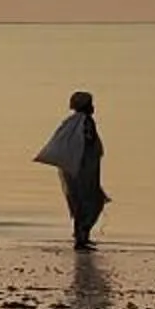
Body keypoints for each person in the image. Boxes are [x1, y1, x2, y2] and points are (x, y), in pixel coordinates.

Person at [34, 89, 108, 248]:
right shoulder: (86, 122)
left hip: (73, 170)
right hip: (83, 170)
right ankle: (82, 237)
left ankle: (81, 236)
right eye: (90, 104)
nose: (93, 107)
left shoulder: (71, 122)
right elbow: (87, 143)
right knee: (90, 201)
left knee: (79, 202)